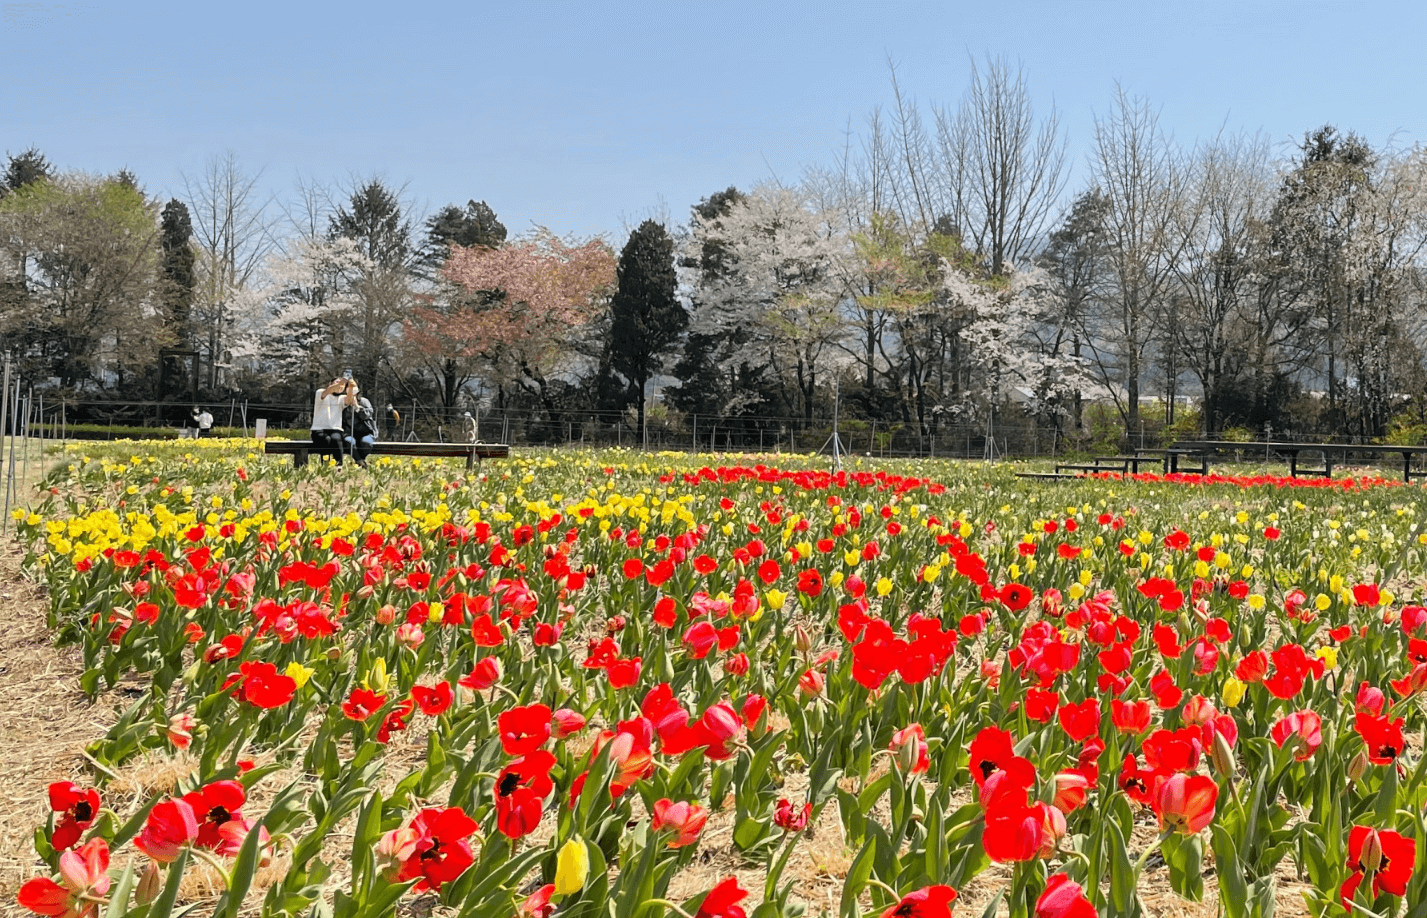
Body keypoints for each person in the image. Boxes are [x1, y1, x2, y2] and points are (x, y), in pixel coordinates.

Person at [311, 377, 349, 464]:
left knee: (336, 439)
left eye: (342, 385)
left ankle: (339, 464)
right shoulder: (320, 392)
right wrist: (341, 382)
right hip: (318, 430)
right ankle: (325, 465)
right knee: (326, 439)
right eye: (337, 383)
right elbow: (328, 391)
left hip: (335, 430)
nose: (340, 386)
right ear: (330, 384)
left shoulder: (342, 398)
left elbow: (349, 400)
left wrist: (351, 386)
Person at [343, 378, 377, 467]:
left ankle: (360, 461)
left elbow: (368, 415)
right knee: (349, 441)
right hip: (350, 433)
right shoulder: (343, 403)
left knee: (366, 443)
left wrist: (357, 407)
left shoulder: (364, 401)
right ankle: (360, 462)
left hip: (366, 432)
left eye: (353, 387)